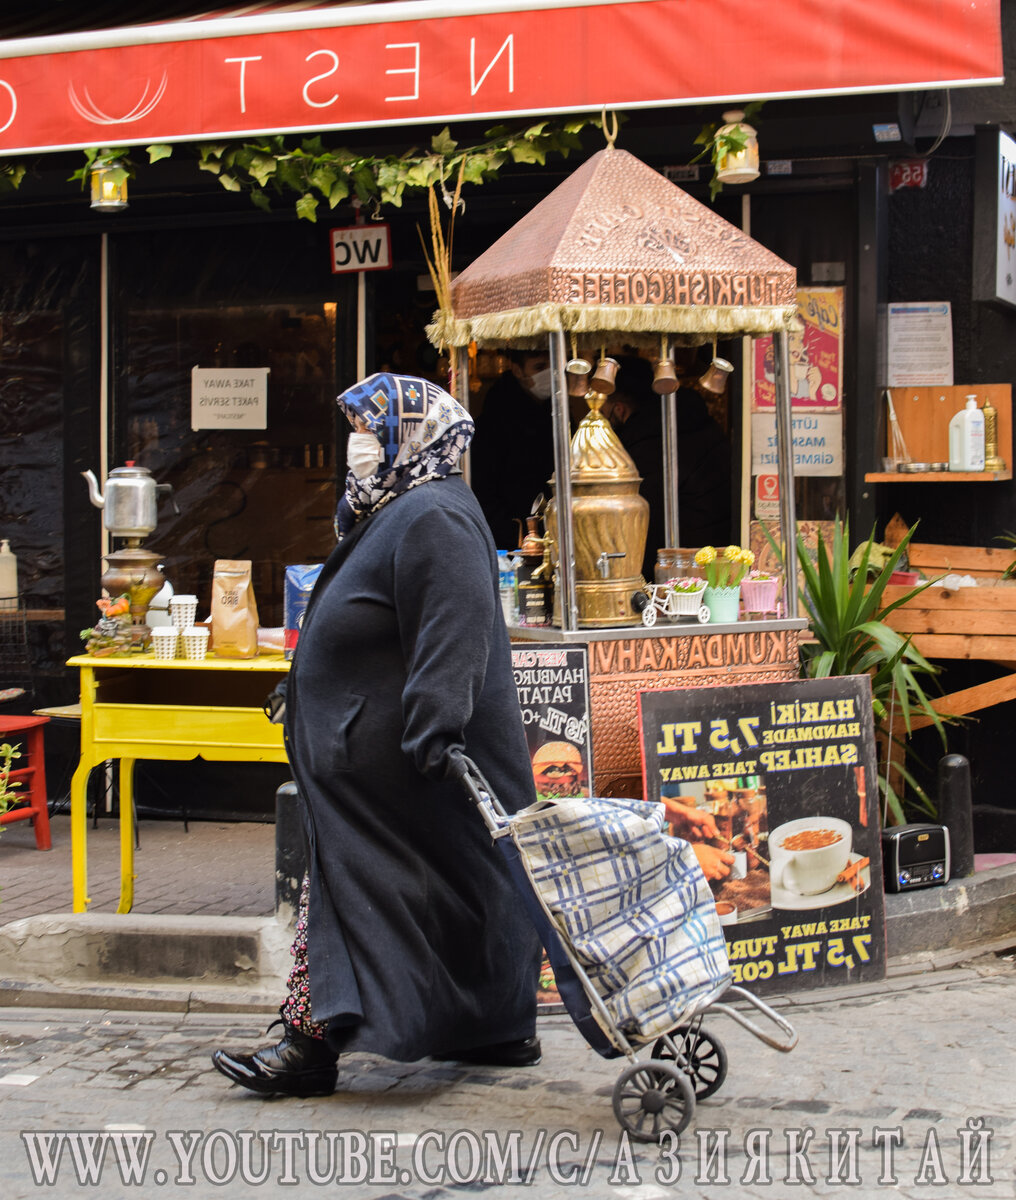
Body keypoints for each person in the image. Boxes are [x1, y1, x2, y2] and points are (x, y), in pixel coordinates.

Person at [212, 372, 543, 1097]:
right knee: (462, 886)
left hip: (406, 762)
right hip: (381, 759)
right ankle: (496, 1024)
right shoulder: (395, 509)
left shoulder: (434, 516)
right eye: (359, 431)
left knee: (346, 890)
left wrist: (433, 733)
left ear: (413, 436)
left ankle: (309, 1043)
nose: (360, 446)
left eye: (372, 431)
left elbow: (452, 635)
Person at [604, 355, 733, 580]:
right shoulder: (698, 422)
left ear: (620, 410)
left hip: (683, 571)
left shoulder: (644, 447)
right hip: (720, 559)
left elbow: (643, 526)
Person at [471, 350, 555, 549]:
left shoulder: (558, 413)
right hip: (513, 543)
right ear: (517, 370)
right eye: (539, 367)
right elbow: (484, 493)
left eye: (554, 365)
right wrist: (518, 535)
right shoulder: (493, 423)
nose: (550, 373)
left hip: (552, 534)